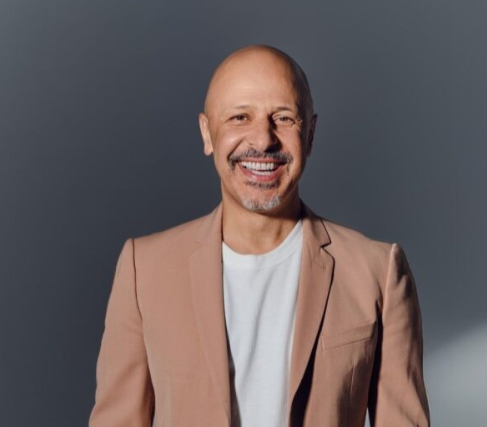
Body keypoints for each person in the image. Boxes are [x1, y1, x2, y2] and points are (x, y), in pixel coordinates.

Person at [88, 45, 430, 427]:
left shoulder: (378, 271)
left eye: (283, 118)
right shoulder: (144, 269)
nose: (264, 140)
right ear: (207, 133)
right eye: (240, 117)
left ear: (311, 134)